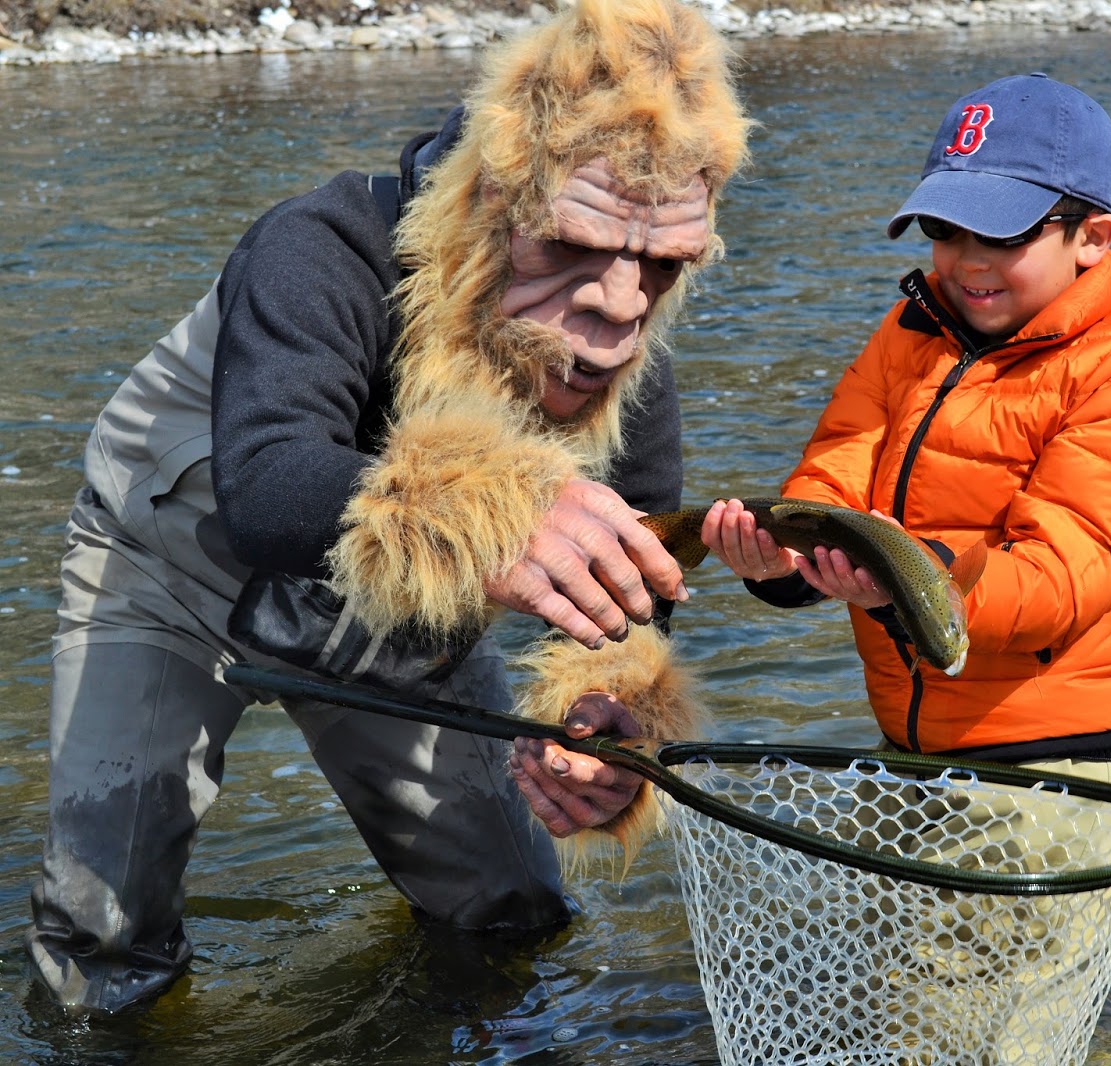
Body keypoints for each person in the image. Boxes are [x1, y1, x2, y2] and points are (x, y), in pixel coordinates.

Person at [29, 0, 749, 1014]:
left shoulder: (621, 346)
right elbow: (269, 485)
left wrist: (606, 723)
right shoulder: (318, 245)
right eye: (569, 247)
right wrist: (504, 514)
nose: (621, 308)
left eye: (664, 265)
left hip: (401, 620)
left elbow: (633, 579)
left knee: (515, 911)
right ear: (490, 200)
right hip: (165, 577)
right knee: (100, 942)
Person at [516, 72, 1111, 866]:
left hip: (1063, 774)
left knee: (954, 956)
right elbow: (835, 475)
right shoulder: (912, 331)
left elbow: (1065, 577)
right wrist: (785, 567)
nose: (968, 261)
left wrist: (911, 582)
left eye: (1003, 235)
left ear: (1093, 238)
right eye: (945, 229)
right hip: (914, 753)